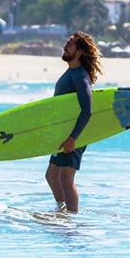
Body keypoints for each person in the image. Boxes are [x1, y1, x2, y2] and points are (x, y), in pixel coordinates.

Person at [44, 31, 102, 214]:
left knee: (65, 178)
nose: (65, 46)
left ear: (80, 52)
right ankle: (62, 210)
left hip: (74, 135)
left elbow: (87, 110)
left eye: (70, 44)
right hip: (64, 133)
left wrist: (73, 138)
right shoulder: (71, 72)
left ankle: (72, 218)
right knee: (52, 176)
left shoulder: (80, 76)